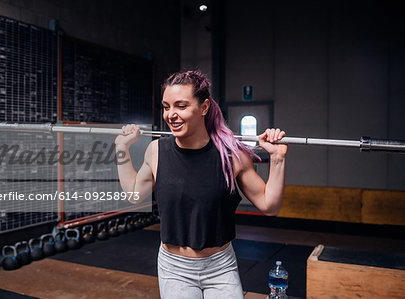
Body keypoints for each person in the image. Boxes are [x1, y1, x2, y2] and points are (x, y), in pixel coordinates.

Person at [115, 70, 287, 299]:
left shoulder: (231, 156)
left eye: (181, 106)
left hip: (220, 267)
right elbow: (136, 195)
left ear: (204, 107)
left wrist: (277, 159)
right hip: (174, 268)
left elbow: (270, 206)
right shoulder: (156, 151)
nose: (171, 115)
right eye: (166, 107)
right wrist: (121, 149)